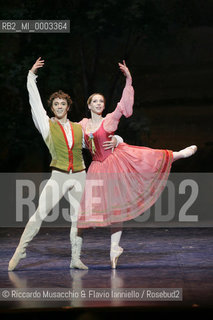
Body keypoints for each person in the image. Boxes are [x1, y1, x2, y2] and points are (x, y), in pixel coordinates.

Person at [77, 60, 197, 268]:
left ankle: (177, 154)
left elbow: (123, 106)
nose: (98, 104)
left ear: (103, 106)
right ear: (88, 105)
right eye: (94, 101)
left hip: (115, 162)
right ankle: (79, 255)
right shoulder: (82, 125)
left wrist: (129, 80)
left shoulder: (109, 121)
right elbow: (70, 135)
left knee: (146, 159)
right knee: (94, 213)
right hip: (96, 168)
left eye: (100, 101)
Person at [8, 58, 120, 271]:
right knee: (39, 213)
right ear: (52, 107)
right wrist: (31, 76)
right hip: (59, 175)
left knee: (79, 218)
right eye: (55, 104)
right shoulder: (47, 125)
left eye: (63, 104)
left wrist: (117, 140)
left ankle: (75, 258)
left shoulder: (79, 128)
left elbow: (99, 141)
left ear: (68, 107)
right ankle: (19, 252)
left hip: (79, 175)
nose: (59, 106)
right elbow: (34, 102)